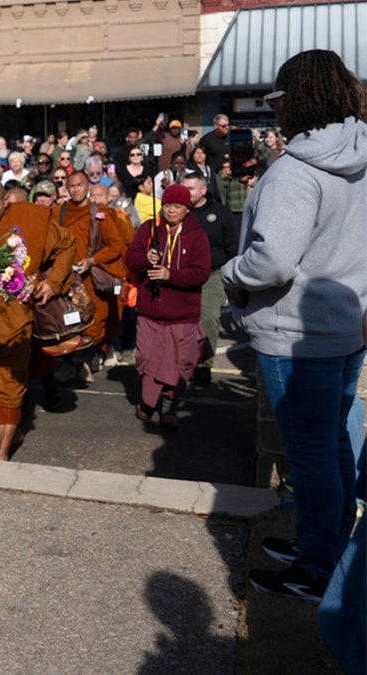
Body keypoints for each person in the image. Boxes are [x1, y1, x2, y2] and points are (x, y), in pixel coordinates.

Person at [221, 49, 367, 602]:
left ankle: (316, 568)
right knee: (331, 446)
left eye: (277, 101)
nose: (273, 112)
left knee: (310, 457)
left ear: (296, 102)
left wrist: (231, 270)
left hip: (295, 333)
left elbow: (273, 261)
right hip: (346, 324)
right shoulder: (361, 154)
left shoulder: (295, 172)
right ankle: (327, 545)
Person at [0, 179, 74, 460]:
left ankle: (3, 455)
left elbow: (67, 246)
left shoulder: (30, 218)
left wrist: (54, 283)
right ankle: (14, 434)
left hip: (19, 316)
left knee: (10, 384)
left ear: (6, 202)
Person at [125, 184, 211, 431]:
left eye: (177, 206)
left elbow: (201, 273)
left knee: (179, 365)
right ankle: (148, 402)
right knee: (147, 358)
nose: (171, 210)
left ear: (187, 209)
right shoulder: (149, 229)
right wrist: (145, 260)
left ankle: (168, 406)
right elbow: (130, 259)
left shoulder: (196, 235)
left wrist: (170, 274)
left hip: (182, 314)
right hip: (150, 311)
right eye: (167, 205)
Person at [59, 172, 128, 380]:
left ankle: (83, 362)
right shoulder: (59, 212)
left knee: (94, 320)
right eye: (71, 186)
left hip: (89, 277)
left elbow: (115, 245)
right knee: (67, 321)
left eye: (80, 185)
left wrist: (92, 260)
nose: (76, 189)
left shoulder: (100, 213)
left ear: (87, 186)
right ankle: (71, 363)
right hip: (65, 275)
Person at [181, 171, 238, 386]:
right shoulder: (179, 213)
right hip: (183, 273)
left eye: (191, 188)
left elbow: (231, 247)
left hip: (212, 273)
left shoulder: (220, 213)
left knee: (208, 317)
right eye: (183, 188)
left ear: (203, 190)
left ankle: (204, 364)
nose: (186, 193)